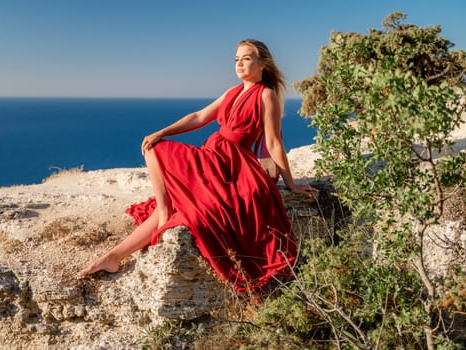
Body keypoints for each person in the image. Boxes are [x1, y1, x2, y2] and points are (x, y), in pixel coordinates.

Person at [80, 39, 315, 292]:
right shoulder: (233, 92)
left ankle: (152, 223)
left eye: (246, 58)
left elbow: (273, 140)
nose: (239, 63)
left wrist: (290, 183)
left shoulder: (266, 95)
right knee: (155, 148)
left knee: (182, 197)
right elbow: (199, 117)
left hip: (234, 166)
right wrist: (162, 131)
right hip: (212, 156)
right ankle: (116, 255)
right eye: (236, 59)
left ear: (262, 63)